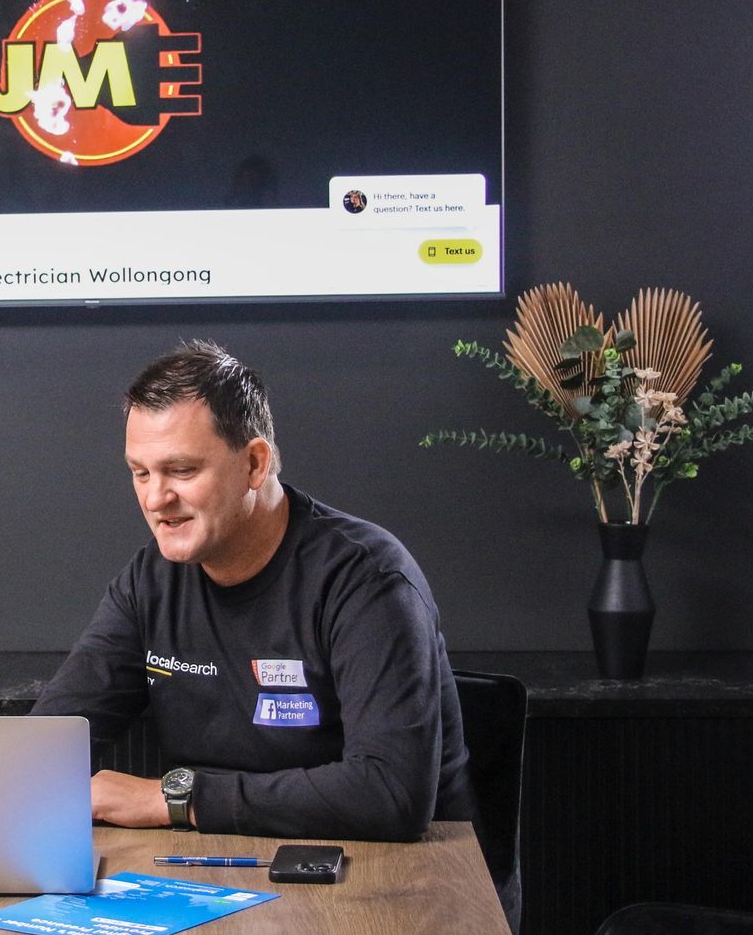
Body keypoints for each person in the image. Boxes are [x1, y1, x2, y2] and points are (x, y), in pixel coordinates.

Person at [32, 340, 474, 841]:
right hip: (217, 862)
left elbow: (390, 794)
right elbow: (42, 749)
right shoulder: (150, 580)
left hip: (397, 870)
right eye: (141, 473)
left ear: (255, 464)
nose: (156, 499)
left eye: (182, 470)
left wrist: (172, 799)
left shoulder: (366, 578)